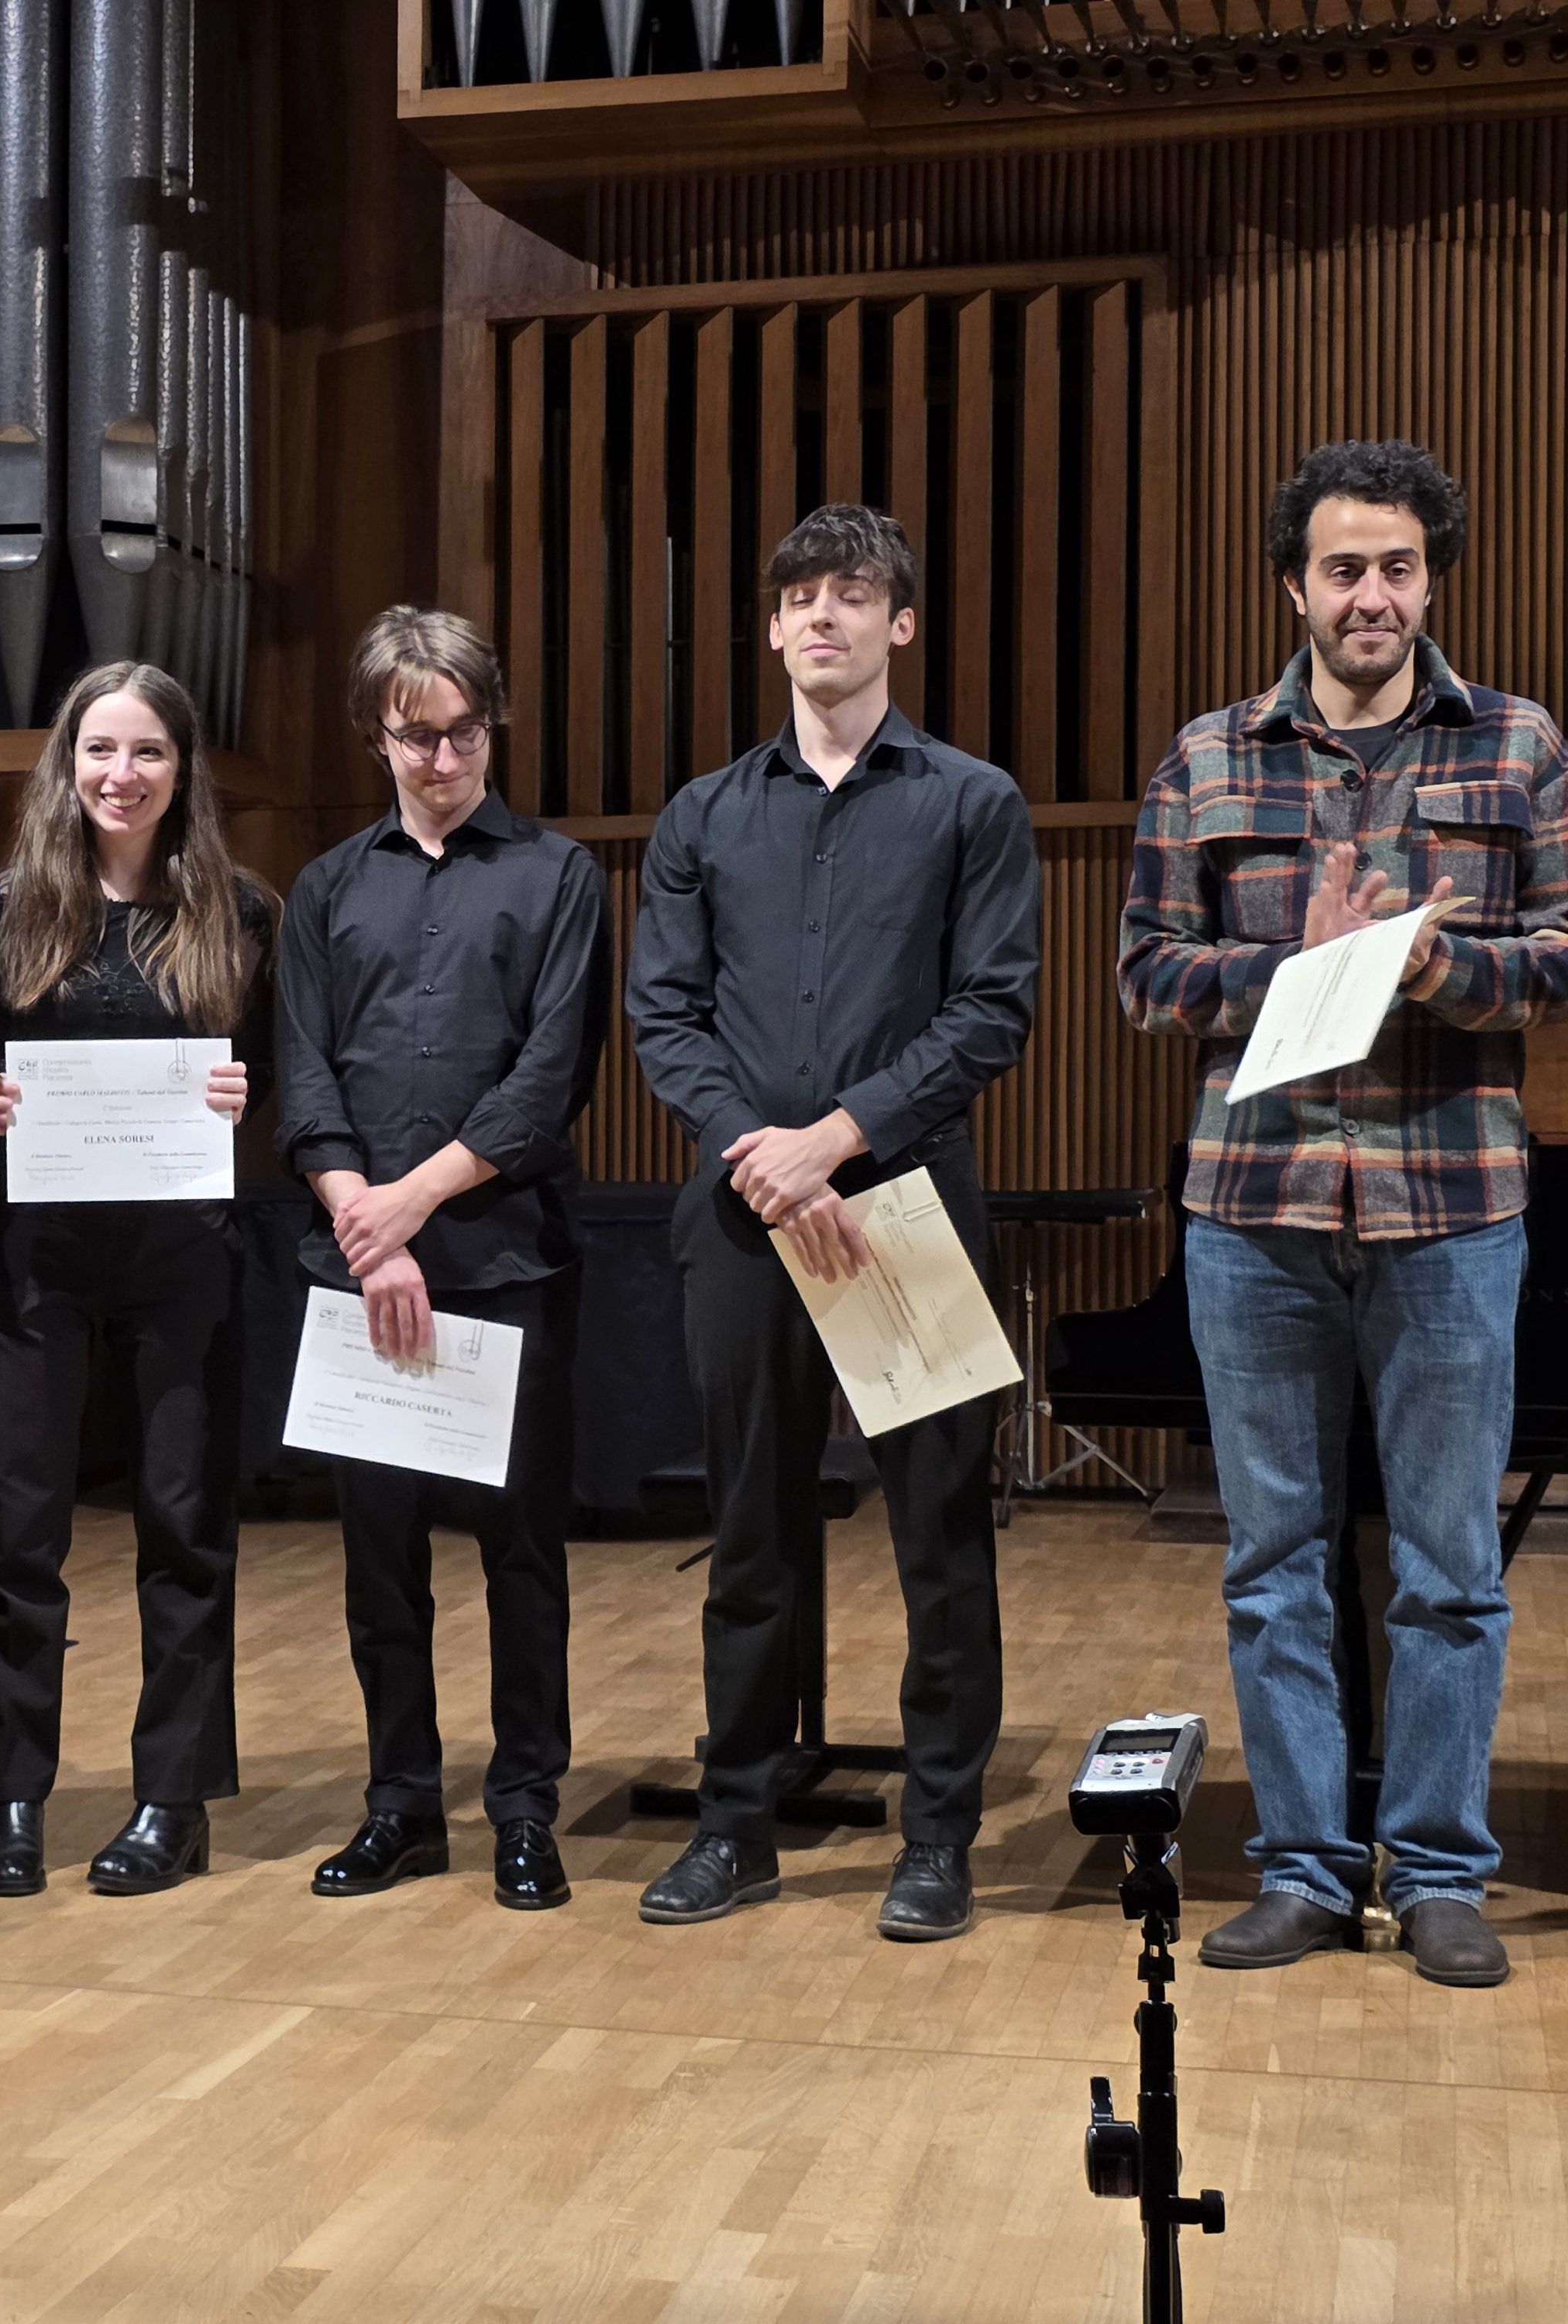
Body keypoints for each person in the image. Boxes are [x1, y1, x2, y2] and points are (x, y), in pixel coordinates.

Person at [1118, 441, 1568, 1990]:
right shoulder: (1207, 760)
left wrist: (1431, 965)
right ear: (1295, 587)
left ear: (1429, 579)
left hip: (1451, 1213)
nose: (1371, 596)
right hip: (1253, 1212)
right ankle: (1305, 1869)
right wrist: (1294, 970)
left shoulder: (1519, 747)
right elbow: (1145, 975)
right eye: (1343, 569)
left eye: (1397, 567)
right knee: (1272, 1561)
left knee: (1449, 1567)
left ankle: (1442, 1872)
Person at [625, 505, 1040, 1943]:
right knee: (750, 1531)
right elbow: (664, 1014)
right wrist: (766, 1155)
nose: (822, 616)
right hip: (748, 1214)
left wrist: (836, 1140)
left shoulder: (973, 802)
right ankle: (735, 1827)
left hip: (905, 1205)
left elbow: (993, 1010)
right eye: (799, 596)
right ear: (771, 628)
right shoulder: (702, 816)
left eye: (852, 595)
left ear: (899, 624)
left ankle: (938, 1840)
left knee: (940, 1538)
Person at [275, 606, 609, 1913]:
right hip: (359, 1266)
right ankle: (401, 1805)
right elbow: (304, 1072)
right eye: (419, 736)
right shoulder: (324, 888)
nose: (447, 758)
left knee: (521, 1557)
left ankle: (524, 1809)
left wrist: (406, 1205)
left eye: (468, 731)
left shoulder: (560, 876)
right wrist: (365, 1225)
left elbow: (550, 1078)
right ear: (378, 736)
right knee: (379, 1561)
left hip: (505, 1261)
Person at [0, 662, 273, 1899]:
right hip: (33, 1261)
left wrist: (246, 1098)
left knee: (186, 1530)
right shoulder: (10, 908)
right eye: (100, 750)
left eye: (148, 752)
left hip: (184, 1259)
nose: (121, 774)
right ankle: (14, 1798)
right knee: (16, 1535)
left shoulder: (240, 913)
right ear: (68, 763)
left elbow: (285, 1082)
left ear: (182, 769)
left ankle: (171, 1800)